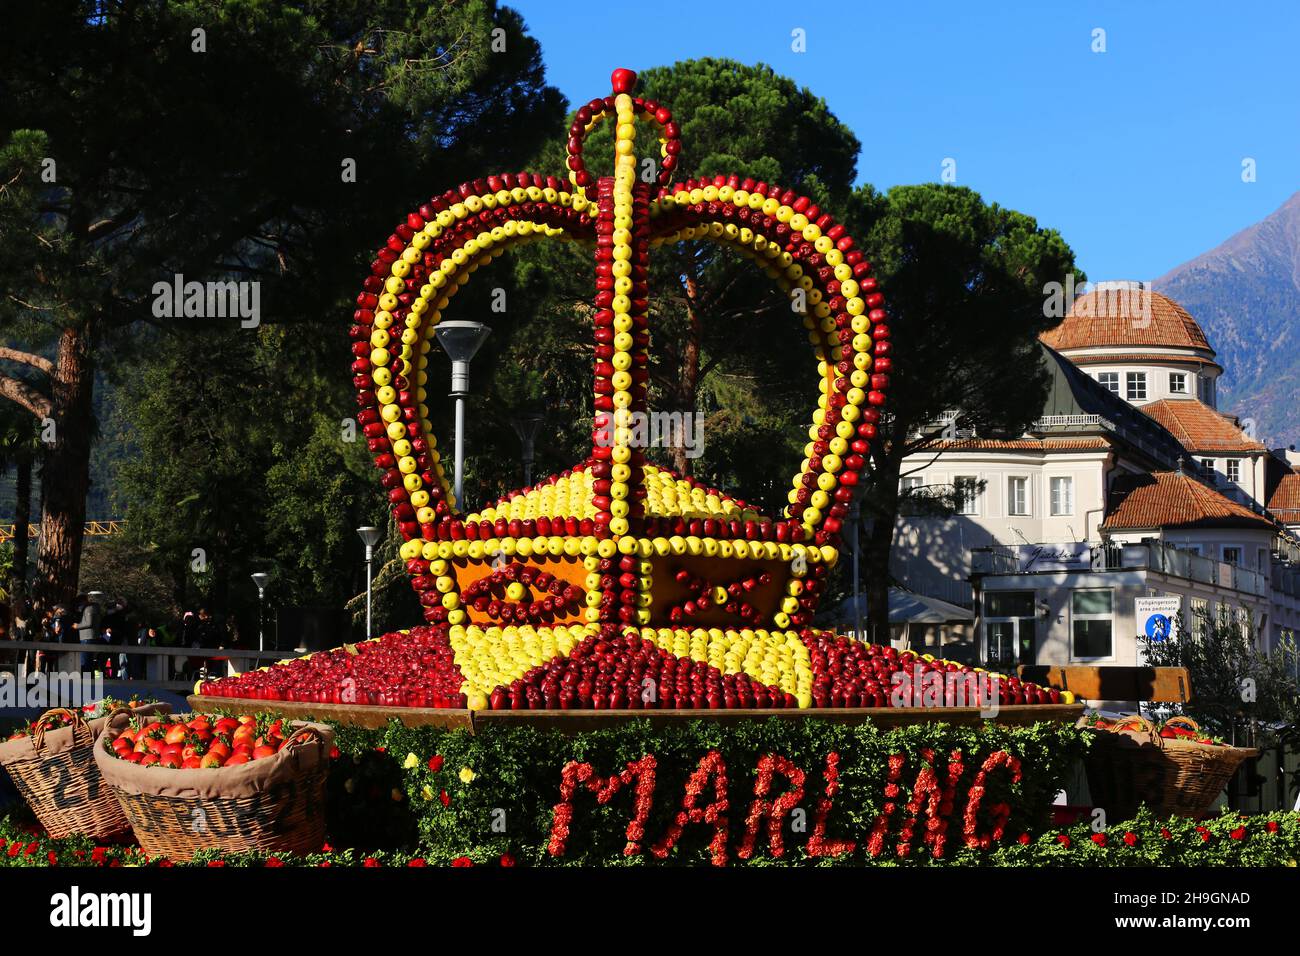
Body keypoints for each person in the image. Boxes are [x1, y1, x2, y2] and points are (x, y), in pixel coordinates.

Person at [72, 594, 103, 674]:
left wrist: (77, 626)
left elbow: (89, 623)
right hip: (89, 637)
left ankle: (86, 680)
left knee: (85, 661)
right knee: (88, 660)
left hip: (87, 637)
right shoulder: (93, 608)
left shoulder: (89, 608)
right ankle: (89, 679)